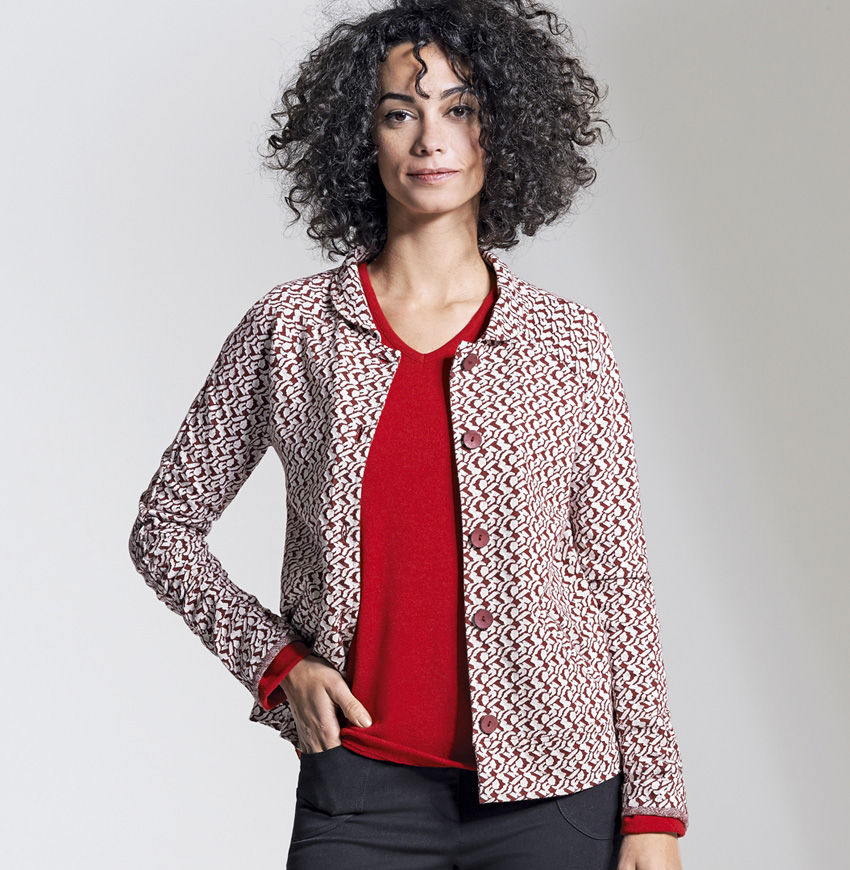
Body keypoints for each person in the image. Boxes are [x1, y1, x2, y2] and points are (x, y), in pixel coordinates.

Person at [128, 1, 688, 868]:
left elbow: (620, 583)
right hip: (360, 790)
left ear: (504, 131)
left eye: (460, 109)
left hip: (561, 794)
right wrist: (278, 666)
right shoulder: (292, 329)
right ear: (364, 139)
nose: (432, 139)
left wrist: (653, 811)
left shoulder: (569, 342)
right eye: (400, 114)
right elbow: (164, 528)